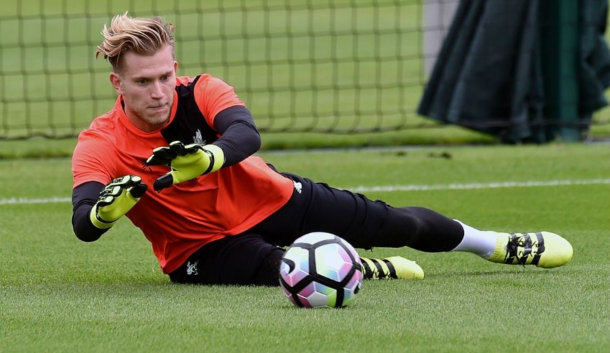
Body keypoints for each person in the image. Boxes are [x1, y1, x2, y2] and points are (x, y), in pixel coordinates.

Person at [71, 14, 573, 286]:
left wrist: (210, 157)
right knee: (284, 269)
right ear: (118, 82)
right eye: (143, 82)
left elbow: (246, 136)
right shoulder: (100, 142)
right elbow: (83, 222)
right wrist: (104, 214)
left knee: (399, 224)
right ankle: (363, 269)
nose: (159, 91)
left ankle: (495, 244)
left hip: (272, 197)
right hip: (200, 250)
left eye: (164, 75)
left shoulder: (200, 90)